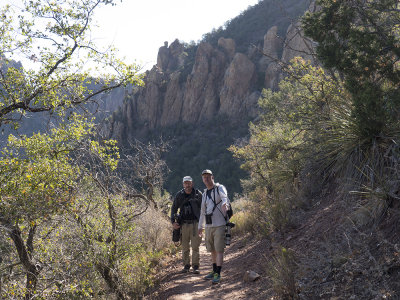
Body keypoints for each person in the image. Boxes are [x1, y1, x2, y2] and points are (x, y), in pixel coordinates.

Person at [198, 169, 230, 284]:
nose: (206, 179)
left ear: (212, 177)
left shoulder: (219, 188)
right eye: (204, 177)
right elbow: (202, 211)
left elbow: (224, 196)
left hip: (220, 224)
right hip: (208, 225)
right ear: (202, 179)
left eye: (208, 177)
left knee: (219, 250)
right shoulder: (205, 193)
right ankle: (213, 270)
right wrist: (200, 226)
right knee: (212, 250)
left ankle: (218, 273)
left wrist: (225, 203)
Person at [171, 176, 202, 273]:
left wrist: (202, 223)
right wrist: (173, 222)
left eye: (189, 183)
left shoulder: (198, 194)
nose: (187, 185)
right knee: (185, 247)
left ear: (192, 183)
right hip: (183, 224)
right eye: (185, 183)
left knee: (195, 246)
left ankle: (196, 266)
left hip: (195, 224)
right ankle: (186, 266)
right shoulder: (179, 195)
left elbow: (204, 208)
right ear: (183, 184)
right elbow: (173, 209)